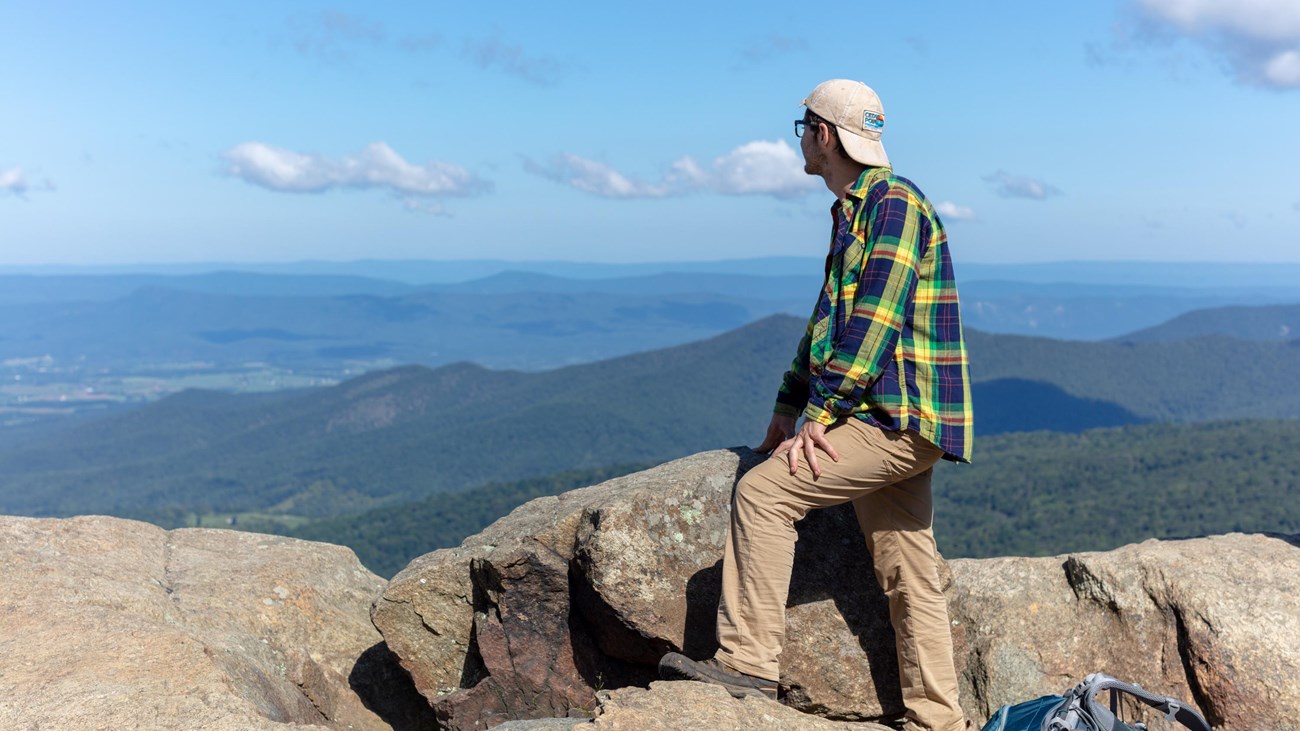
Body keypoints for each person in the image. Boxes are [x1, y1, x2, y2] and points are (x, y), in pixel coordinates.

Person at [659, 79, 974, 731]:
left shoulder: (891, 206)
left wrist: (820, 417)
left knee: (765, 493)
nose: (800, 139)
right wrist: (789, 398)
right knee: (905, 558)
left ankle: (747, 666)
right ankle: (938, 719)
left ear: (823, 134)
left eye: (802, 127)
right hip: (904, 416)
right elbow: (828, 319)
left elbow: (875, 323)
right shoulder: (859, 208)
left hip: (891, 414)